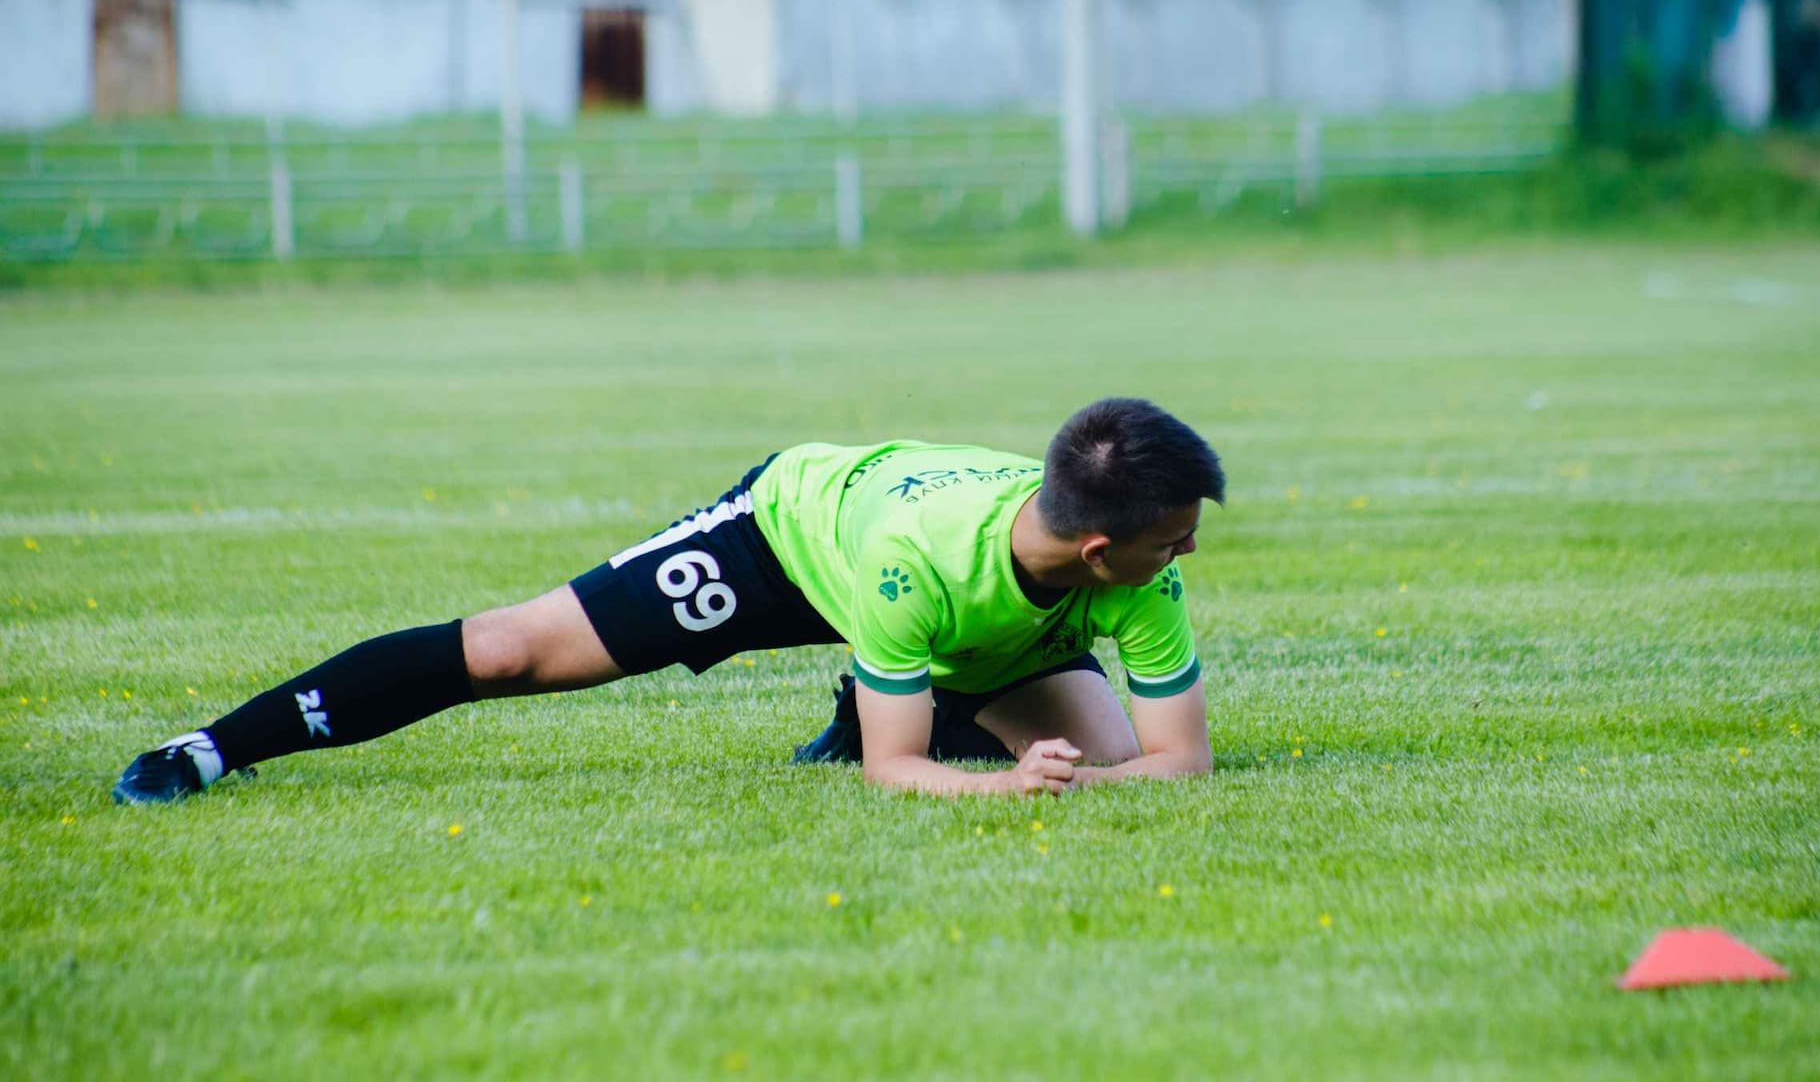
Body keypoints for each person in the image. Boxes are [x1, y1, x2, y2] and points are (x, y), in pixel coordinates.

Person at [112, 397, 1224, 804]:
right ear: (1096, 544)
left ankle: (895, 695)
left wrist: (1062, 775)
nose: (1185, 554)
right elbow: (899, 781)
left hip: (960, 620)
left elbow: (1180, 760)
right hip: (786, 535)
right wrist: (1008, 793)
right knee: (511, 649)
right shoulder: (908, 563)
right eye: (1172, 536)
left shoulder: (1139, 569)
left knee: (1107, 752)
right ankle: (212, 746)